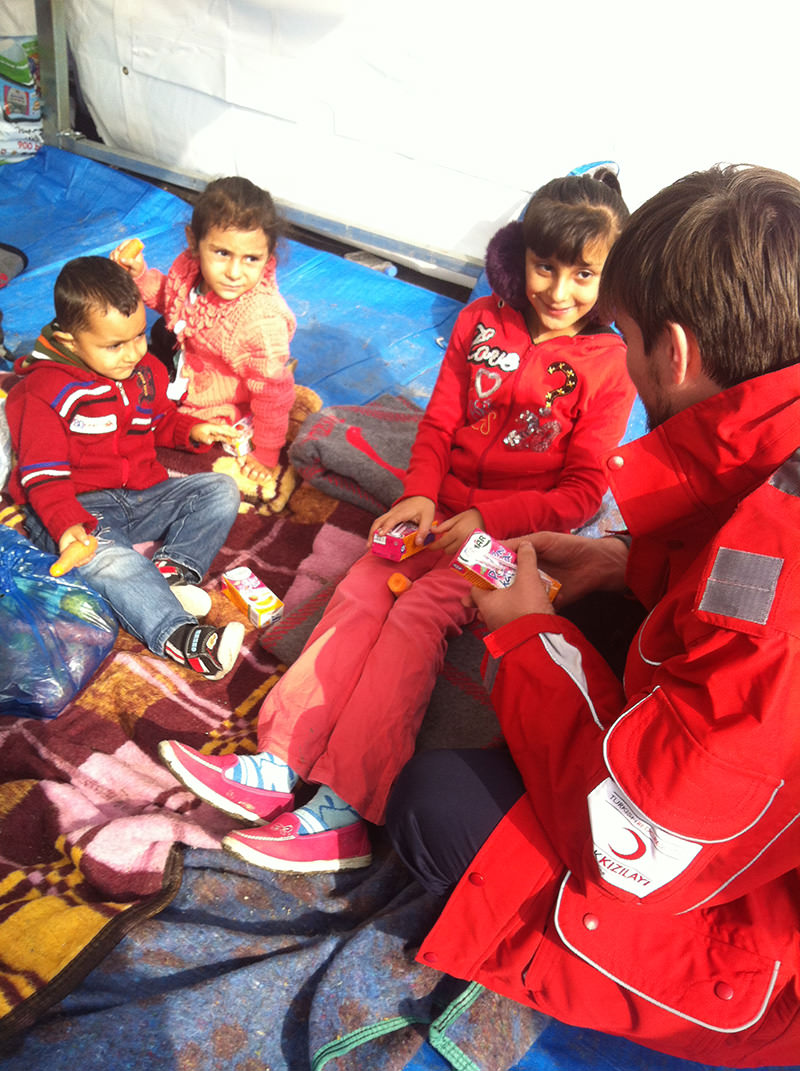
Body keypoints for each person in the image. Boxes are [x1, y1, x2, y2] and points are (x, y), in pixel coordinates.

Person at [384, 164, 800, 1067]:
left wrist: (529, 634)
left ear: (675, 352)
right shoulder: (776, 466)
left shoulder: (781, 597)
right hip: (739, 809)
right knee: (603, 621)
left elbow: (636, 850)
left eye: (628, 333)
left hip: (748, 948)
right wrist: (622, 561)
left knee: (430, 799)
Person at [158, 171, 636, 873]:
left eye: (583, 274)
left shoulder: (611, 365)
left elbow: (582, 490)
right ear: (522, 254)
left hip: (513, 543)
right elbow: (440, 421)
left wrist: (488, 516)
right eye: (545, 266)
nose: (559, 291)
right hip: (434, 511)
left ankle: (348, 804)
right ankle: (279, 760)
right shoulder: (479, 324)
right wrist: (417, 492)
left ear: (609, 277)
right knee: (361, 587)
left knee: (416, 617)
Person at [6, 256, 245, 681]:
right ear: (71, 340)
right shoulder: (41, 393)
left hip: (140, 494)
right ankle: (184, 637)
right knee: (110, 561)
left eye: (138, 336)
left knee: (220, 489)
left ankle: (170, 575)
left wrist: (194, 430)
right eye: (114, 345)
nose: (134, 353)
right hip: (77, 508)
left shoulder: (145, 371)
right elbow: (43, 477)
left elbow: (161, 422)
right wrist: (66, 528)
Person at [112, 176, 302, 503]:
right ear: (194, 242)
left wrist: (267, 453)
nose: (234, 272)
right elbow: (171, 298)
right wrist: (140, 277)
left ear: (268, 256)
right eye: (222, 252)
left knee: (130, 416)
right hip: (184, 360)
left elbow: (273, 392)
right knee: (146, 338)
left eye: (251, 259)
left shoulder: (260, 322)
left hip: (216, 399)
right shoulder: (190, 270)